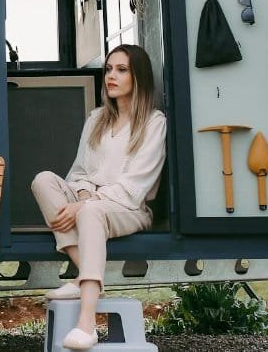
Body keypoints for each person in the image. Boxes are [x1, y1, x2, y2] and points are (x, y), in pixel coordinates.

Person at [30, 44, 167, 350]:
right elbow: (79, 171)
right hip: (90, 200)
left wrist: (85, 203)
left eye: (121, 70)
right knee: (43, 181)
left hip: (129, 208)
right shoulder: (97, 119)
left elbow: (136, 186)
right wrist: (82, 193)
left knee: (91, 212)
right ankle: (86, 276)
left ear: (139, 77)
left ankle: (87, 322)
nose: (110, 76)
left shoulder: (154, 122)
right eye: (108, 69)